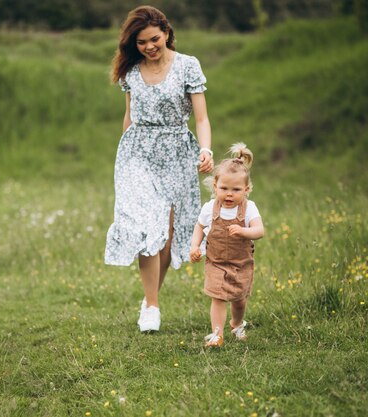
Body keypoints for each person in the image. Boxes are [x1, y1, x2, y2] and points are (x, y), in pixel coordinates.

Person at [105, 5, 214, 332]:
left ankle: (150, 297)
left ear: (167, 33)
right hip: (137, 153)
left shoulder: (187, 66)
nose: (149, 46)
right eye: (141, 42)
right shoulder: (131, 71)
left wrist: (205, 149)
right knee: (144, 227)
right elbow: (129, 116)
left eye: (154, 39)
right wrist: (124, 155)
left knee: (164, 235)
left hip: (177, 154)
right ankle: (152, 306)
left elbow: (202, 118)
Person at [189, 143, 265, 347]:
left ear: (246, 189)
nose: (229, 194)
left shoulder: (249, 209)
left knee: (239, 300)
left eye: (236, 189)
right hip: (216, 262)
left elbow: (259, 231)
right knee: (218, 297)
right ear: (215, 186)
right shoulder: (209, 208)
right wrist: (195, 246)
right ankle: (217, 334)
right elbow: (199, 226)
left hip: (241, 264)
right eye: (224, 188)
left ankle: (237, 323)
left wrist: (243, 231)